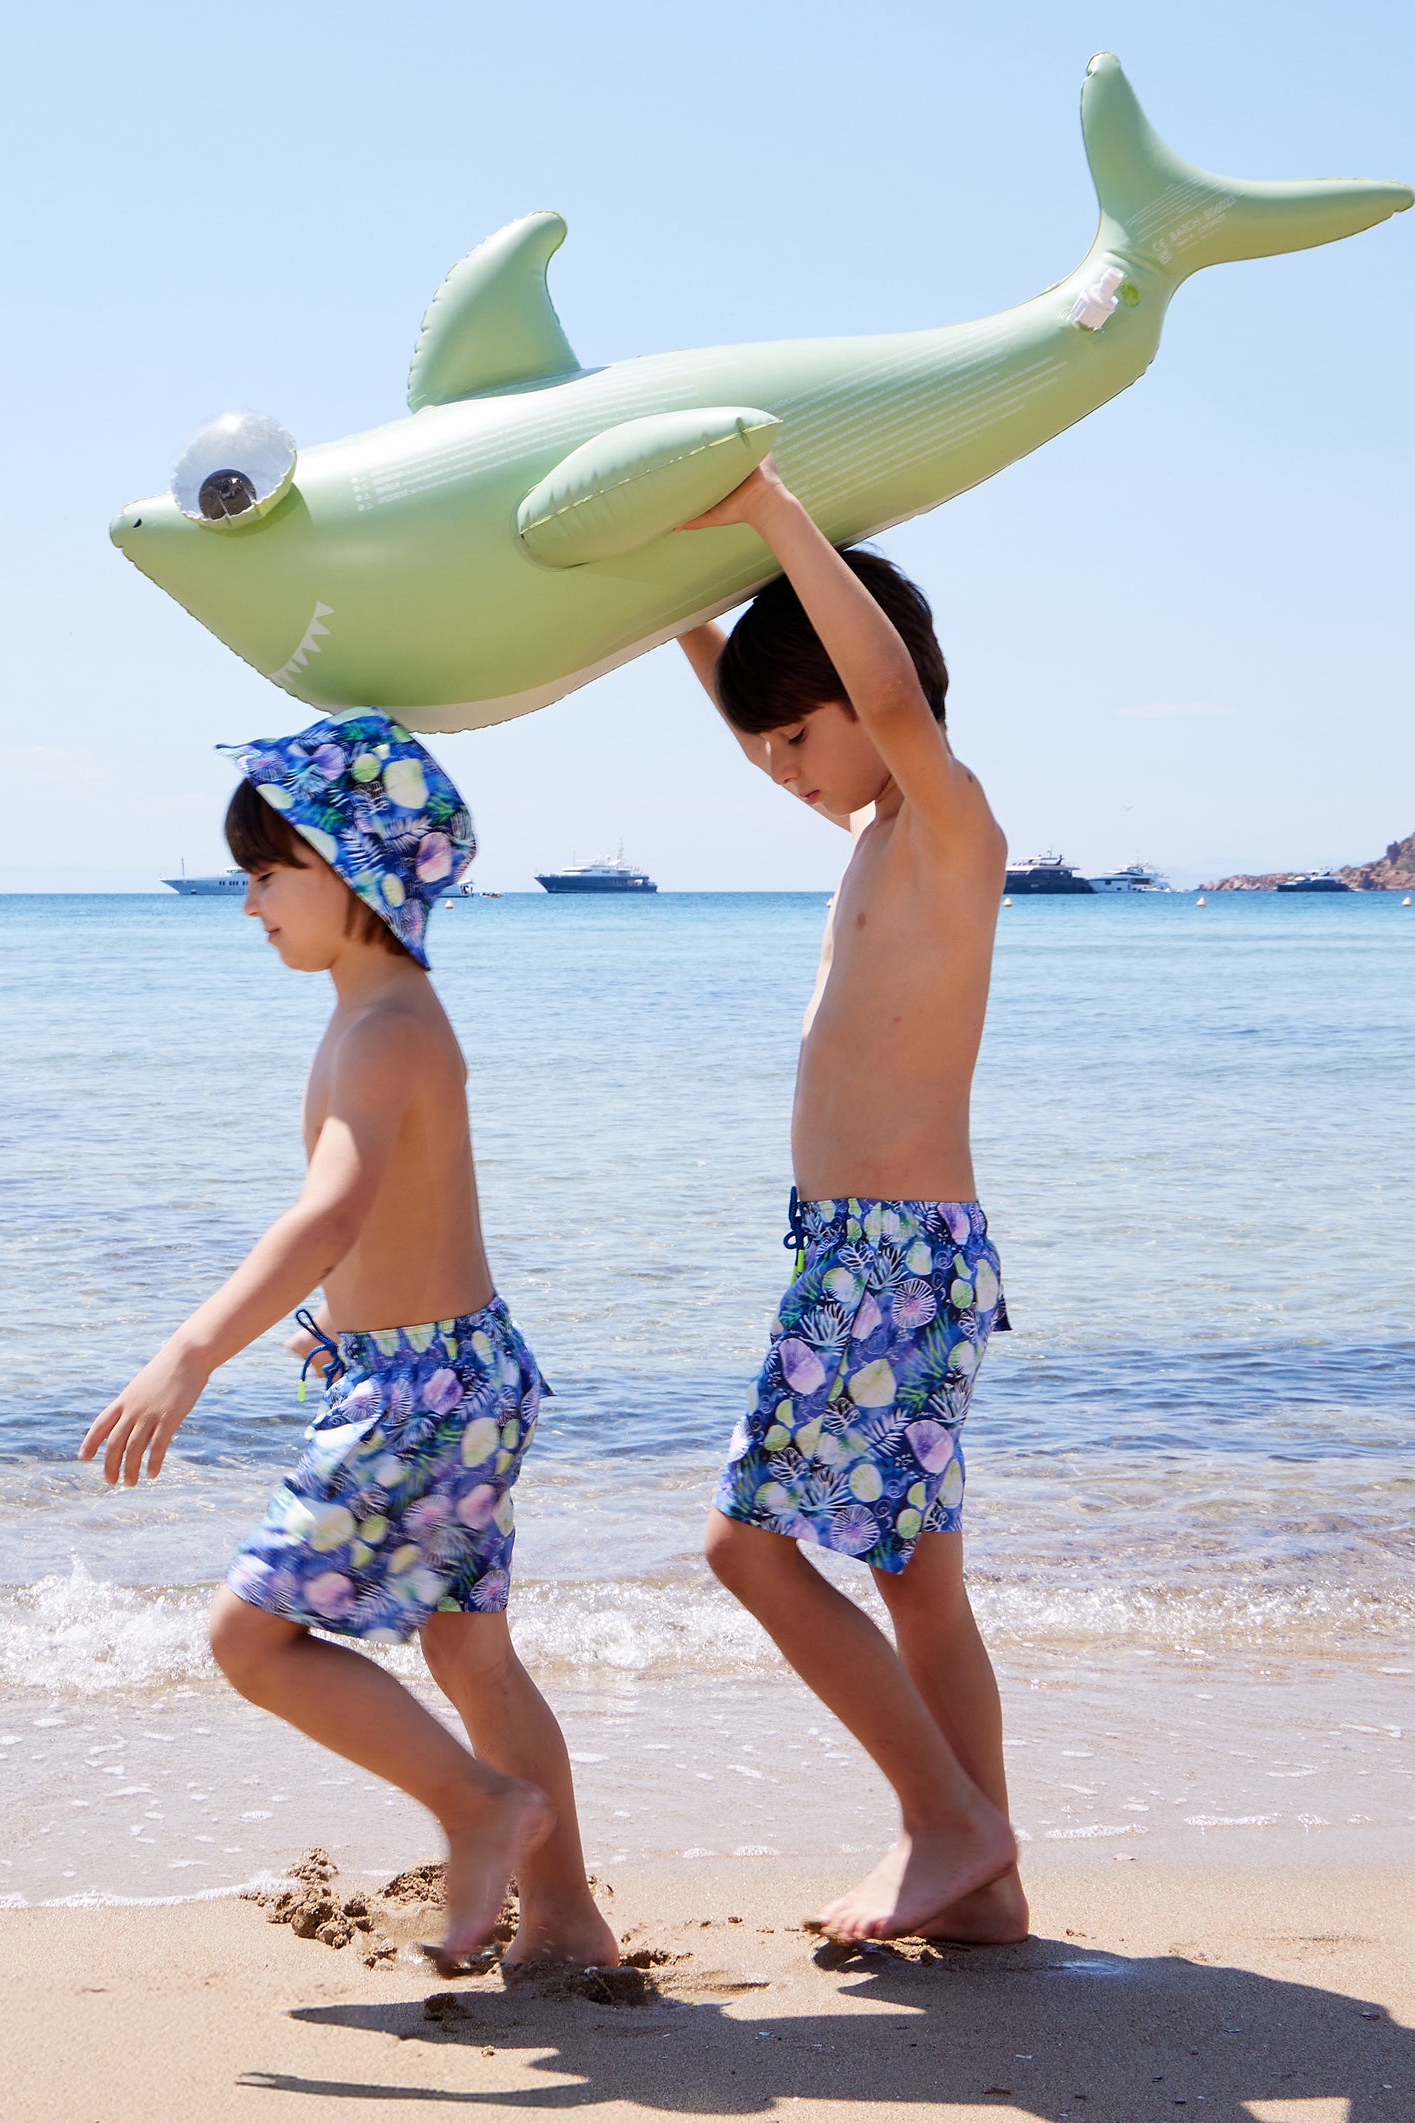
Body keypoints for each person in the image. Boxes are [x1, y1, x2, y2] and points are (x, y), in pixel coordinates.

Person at [82, 713, 617, 1977]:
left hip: (423, 1387)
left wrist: (191, 1351)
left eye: (269, 872)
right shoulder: (380, 1010)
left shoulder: (381, 1029)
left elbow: (332, 1209)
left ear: (355, 870)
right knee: (468, 1647)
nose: (247, 900)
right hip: (451, 1368)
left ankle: (479, 1808)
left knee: (249, 1637)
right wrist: (351, 1332)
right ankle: (567, 1918)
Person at [675, 458, 1023, 1943]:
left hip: (889, 1261)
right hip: (881, 1254)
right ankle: (984, 1892)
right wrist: (677, 618)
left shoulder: (949, 820)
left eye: (793, 736)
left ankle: (946, 1822)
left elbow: (881, 699)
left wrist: (765, 513)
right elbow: (822, 713)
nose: (778, 766)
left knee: (744, 1547)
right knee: (915, 1587)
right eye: (760, 745)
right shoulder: (876, 840)